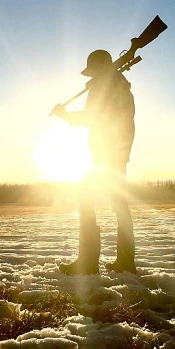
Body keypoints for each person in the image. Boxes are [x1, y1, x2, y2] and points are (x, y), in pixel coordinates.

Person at [52, 49, 136, 274]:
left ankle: (87, 263)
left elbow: (90, 118)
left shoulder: (103, 86)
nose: (90, 77)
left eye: (92, 72)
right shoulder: (120, 85)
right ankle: (126, 263)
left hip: (104, 154)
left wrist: (64, 115)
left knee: (85, 198)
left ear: (98, 69)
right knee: (120, 205)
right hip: (118, 152)